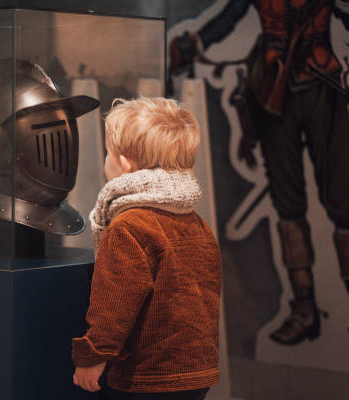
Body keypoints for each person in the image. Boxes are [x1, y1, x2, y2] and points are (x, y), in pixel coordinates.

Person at [170, 0, 349, 345]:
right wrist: (192, 46)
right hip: (272, 93)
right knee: (287, 203)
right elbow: (231, 16)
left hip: (321, 85)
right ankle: (304, 308)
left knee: (342, 202)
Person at [71, 97, 222, 400]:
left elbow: (113, 304)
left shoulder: (129, 227)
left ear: (124, 162)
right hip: (196, 370)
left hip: (149, 376)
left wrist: (93, 356)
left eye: (108, 153)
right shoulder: (196, 223)